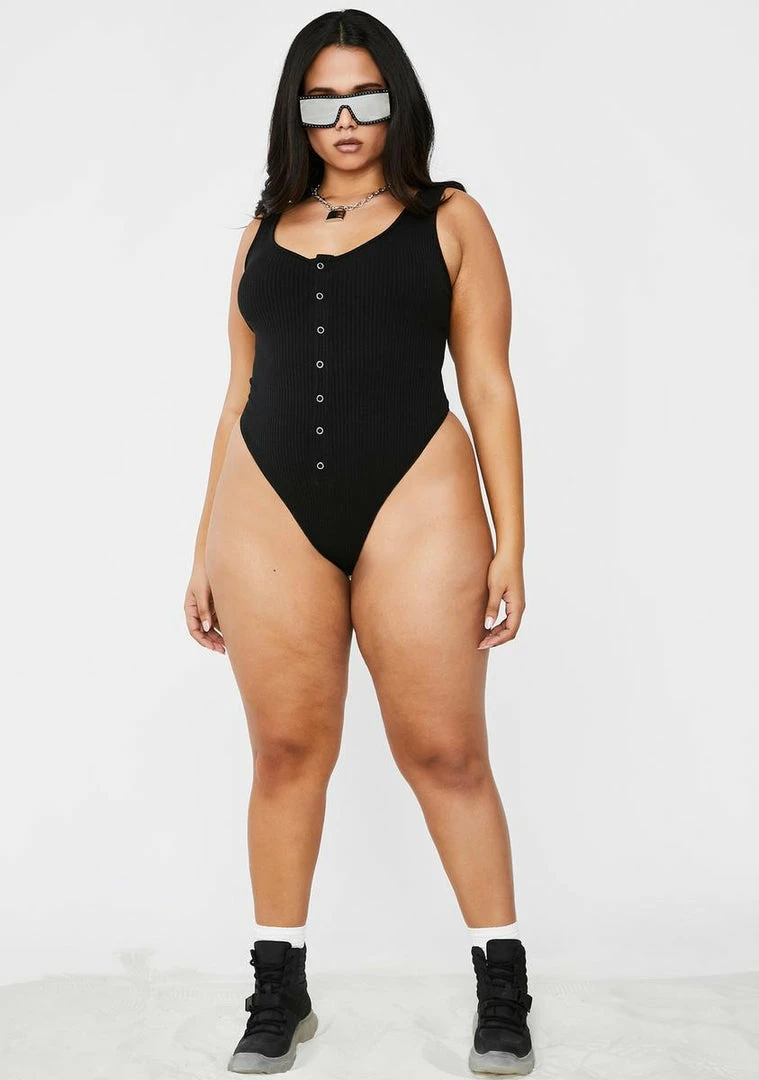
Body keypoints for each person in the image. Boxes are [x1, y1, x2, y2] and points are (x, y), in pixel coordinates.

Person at [185, 9, 534, 1076]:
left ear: (398, 104)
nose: (346, 119)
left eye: (367, 97)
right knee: (286, 753)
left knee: (445, 752)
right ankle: (278, 991)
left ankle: (502, 989)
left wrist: (512, 544)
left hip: (417, 497)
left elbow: (488, 383)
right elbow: (238, 391)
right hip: (265, 510)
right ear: (297, 111)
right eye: (325, 100)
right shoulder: (261, 230)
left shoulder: (451, 217)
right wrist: (201, 549)